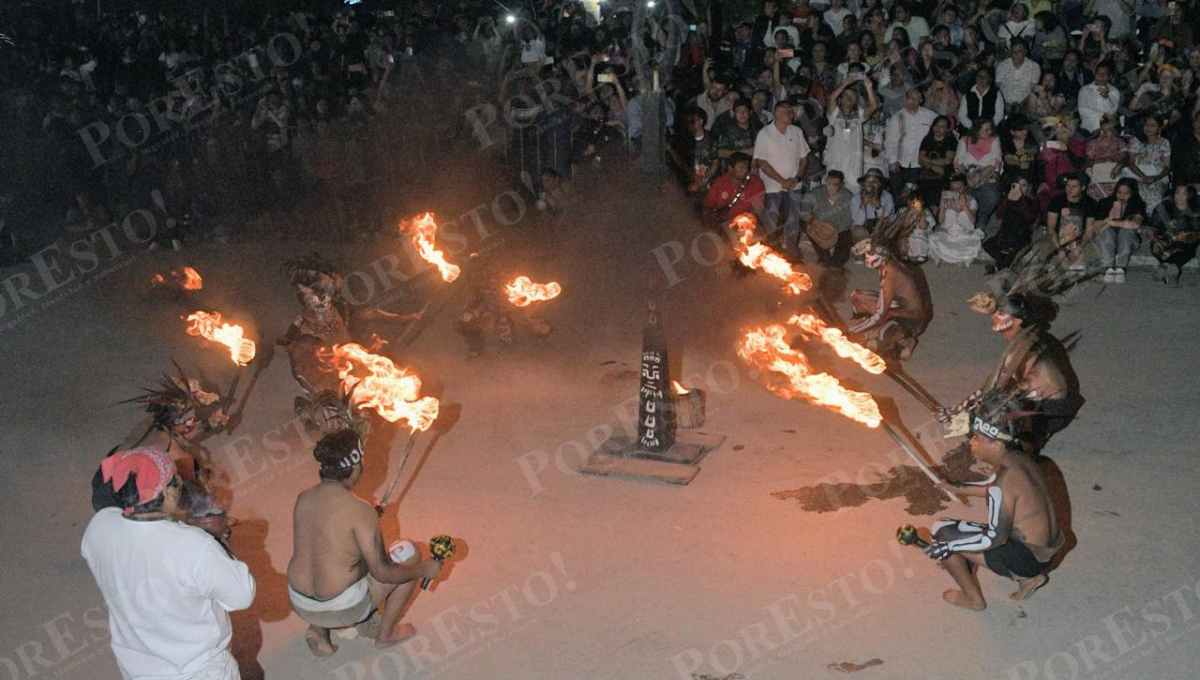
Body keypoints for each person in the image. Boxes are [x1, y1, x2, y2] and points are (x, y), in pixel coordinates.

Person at [82, 448, 256, 679]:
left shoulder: (99, 527)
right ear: (167, 492)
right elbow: (242, 596)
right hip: (198, 671)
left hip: (138, 671)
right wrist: (219, 540)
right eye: (176, 482)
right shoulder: (193, 546)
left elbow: (144, 540)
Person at [287, 430, 443, 655]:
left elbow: (328, 538)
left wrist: (370, 515)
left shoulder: (304, 497)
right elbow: (384, 573)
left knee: (326, 562)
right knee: (408, 554)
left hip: (300, 601)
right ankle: (386, 635)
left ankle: (319, 631)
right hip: (342, 606)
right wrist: (423, 569)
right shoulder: (361, 510)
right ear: (356, 467)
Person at [921, 394, 1064, 610]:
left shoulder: (1002, 480)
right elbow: (1000, 491)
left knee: (942, 531)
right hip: (1044, 550)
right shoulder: (1018, 458)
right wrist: (958, 487)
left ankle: (973, 599)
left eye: (978, 438)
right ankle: (1030, 579)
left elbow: (995, 537)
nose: (972, 442)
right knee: (957, 538)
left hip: (1028, 558)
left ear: (996, 445)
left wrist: (948, 545)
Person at [278, 254, 420, 436]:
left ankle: (349, 427)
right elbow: (299, 352)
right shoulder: (311, 316)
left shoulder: (339, 307)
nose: (340, 279)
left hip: (344, 364)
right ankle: (323, 419)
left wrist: (404, 319)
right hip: (324, 373)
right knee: (337, 406)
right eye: (334, 276)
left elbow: (369, 314)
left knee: (352, 403)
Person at [939, 294, 1083, 452]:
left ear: (1017, 321)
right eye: (996, 312)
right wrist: (957, 410)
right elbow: (993, 386)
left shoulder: (1023, 348)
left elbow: (993, 392)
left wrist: (962, 416)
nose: (994, 316)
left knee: (992, 415)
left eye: (1001, 314)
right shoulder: (1026, 337)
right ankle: (1024, 441)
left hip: (1049, 413)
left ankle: (1017, 451)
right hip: (1050, 404)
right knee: (988, 409)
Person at [848, 237, 933, 360]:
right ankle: (868, 331)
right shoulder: (888, 264)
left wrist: (851, 332)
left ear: (882, 255)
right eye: (867, 253)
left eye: (870, 254)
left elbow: (878, 316)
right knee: (856, 297)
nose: (866, 256)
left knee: (877, 342)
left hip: (911, 320)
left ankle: (905, 342)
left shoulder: (890, 275)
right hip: (896, 307)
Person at [753, 99, 811, 259]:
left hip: (794, 185)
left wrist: (796, 178)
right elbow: (762, 162)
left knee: (793, 221)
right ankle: (768, 254)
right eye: (787, 111)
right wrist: (781, 180)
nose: (790, 114)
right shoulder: (764, 134)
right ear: (777, 112)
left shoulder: (797, 132)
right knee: (771, 221)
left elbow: (804, 159)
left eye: (791, 111)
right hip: (772, 186)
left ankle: (792, 253)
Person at [824, 73, 879, 192]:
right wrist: (845, 83)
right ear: (840, 98)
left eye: (852, 95)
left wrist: (869, 88)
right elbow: (831, 98)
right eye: (846, 94)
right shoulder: (834, 114)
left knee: (852, 194)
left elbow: (874, 106)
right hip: (835, 160)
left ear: (856, 101)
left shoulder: (859, 115)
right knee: (832, 193)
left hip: (853, 163)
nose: (849, 97)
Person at [885, 88, 937, 198]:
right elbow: (890, 141)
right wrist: (893, 160)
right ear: (905, 100)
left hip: (919, 165)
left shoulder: (930, 116)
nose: (912, 102)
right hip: (899, 164)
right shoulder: (896, 117)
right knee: (899, 196)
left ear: (921, 100)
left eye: (915, 99)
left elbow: (943, 128)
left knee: (915, 197)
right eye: (909, 98)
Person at [1092, 178, 1146, 283]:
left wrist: (1112, 223)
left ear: (1132, 194)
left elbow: (1135, 224)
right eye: (1119, 192)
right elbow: (1097, 228)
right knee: (1107, 232)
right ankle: (1109, 268)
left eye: (1126, 193)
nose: (1122, 196)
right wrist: (1109, 218)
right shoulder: (1105, 203)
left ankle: (1121, 269)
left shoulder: (1137, 204)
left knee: (1125, 231)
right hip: (1106, 242)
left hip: (1128, 242)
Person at [955, 119, 1003, 231]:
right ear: (977, 130)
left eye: (990, 129)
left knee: (991, 196)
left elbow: (996, 161)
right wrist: (967, 177)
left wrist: (979, 176)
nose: (989, 132)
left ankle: (982, 218)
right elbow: (959, 160)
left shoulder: (994, 140)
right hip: (967, 174)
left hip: (987, 173)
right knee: (966, 195)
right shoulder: (965, 140)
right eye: (986, 130)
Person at [1148, 184, 1200, 287]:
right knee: (1160, 247)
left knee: (1190, 247)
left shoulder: (1195, 210)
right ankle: (1171, 268)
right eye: (1177, 193)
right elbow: (1151, 228)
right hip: (1167, 240)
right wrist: (1155, 239)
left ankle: (1167, 267)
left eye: (1184, 194)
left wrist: (1187, 235)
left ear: (1189, 195)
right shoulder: (1163, 207)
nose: (1180, 196)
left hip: (1187, 242)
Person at [800, 170, 855, 266]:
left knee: (846, 237)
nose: (831, 187)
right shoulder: (814, 193)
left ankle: (836, 263)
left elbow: (848, 220)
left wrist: (833, 231)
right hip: (819, 226)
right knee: (805, 225)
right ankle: (824, 256)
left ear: (841, 185)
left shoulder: (848, 196)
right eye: (829, 183)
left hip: (839, 229)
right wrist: (815, 221)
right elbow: (804, 212)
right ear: (825, 181)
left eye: (835, 185)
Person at [1045, 173, 1097, 270]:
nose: (1069, 189)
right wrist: (1059, 249)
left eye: (1074, 186)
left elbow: (1089, 230)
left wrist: (1079, 248)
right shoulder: (1056, 201)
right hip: (1058, 240)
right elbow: (1051, 227)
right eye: (1068, 186)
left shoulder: (1090, 203)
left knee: (1095, 250)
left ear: (1082, 188)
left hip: (1079, 240)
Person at [986, 176, 1039, 270]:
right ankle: (1006, 262)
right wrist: (1008, 200)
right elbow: (999, 214)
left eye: (1023, 185)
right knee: (987, 244)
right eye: (1017, 185)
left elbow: (1030, 217)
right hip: (1004, 235)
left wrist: (1020, 200)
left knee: (1015, 215)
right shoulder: (1006, 198)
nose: (1020, 188)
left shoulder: (1030, 201)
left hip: (1021, 236)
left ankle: (1001, 265)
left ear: (1028, 187)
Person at [929, 174, 984, 265]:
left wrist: (964, 206)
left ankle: (956, 254)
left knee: (974, 243)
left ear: (965, 187)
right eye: (953, 189)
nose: (956, 191)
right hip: (949, 234)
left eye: (959, 188)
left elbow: (973, 221)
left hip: (965, 234)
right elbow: (940, 221)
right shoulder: (948, 200)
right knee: (933, 238)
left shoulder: (971, 200)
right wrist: (942, 203)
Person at [704, 152, 767, 225]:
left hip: (745, 224)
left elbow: (758, 208)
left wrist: (744, 221)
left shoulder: (756, 183)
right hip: (723, 225)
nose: (745, 170)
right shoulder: (720, 182)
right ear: (730, 168)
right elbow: (709, 205)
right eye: (741, 167)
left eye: (746, 167)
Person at [1123, 116, 1171, 210]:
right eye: (1146, 125)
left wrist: (1155, 178)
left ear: (1159, 128)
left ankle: (1150, 221)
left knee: (1154, 195)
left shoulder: (1164, 143)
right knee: (1135, 195)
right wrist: (1143, 177)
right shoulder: (1136, 141)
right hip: (1137, 176)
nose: (1148, 128)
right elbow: (1131, 163)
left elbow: (1167, 166)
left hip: (1157, 178)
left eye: (1152, 125)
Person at [995, 39, 1041, 112]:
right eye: (1013, 51)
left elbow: (1033, 89)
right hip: (1004, 104)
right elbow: (997, 87)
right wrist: (1004, 103)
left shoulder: (1034, 67)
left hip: (1025, 104)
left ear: (1025, 52)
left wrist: (1022, 104)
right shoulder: (1002, 66)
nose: (1015, 54)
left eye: (1019, 51)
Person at [850, 167, 895, 242]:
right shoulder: (856, 199)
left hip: (881, 228)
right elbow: (858, 223)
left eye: (874, 181)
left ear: (880, 184)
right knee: (859, 231)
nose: (871, 184)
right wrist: (863, 204)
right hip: (864, 229)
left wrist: (878, 207)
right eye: (868, 181)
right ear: (864, 183)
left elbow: (889, 219)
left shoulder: (887, 196)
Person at [957, 67, 1005, 133]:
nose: (981, 79)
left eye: (985, 76)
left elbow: (999, 115)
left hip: (989, 130)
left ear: (989, 79)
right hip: (970, 129)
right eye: (979, 76)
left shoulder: (996, 93)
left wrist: (987, 128)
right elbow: (961, 115)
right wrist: (973, 127)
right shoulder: (968, 93)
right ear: (976, 78)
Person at [1077, 62, 1121, 133]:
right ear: (1095, 74)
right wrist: (1102, 115)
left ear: (1109, 76)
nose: (1100, 76)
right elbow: (1082, 110)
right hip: (1087, 129)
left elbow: (1111, 112)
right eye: (1098, 73)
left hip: (1106, 131)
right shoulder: (1084, 89)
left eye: (1104, 74)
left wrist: (1106, 98)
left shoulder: (1114, 91)